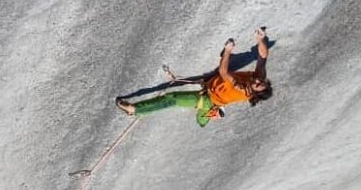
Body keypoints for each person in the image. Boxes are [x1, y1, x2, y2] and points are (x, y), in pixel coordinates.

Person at [116, 27, 272, 126]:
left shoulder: (241, 89)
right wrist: (261, 39)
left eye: (258, 84)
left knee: (173, 99)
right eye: (261, 81)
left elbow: (224, 72)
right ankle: (210, 113)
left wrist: (227, 51)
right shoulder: (258, 78)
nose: (258, 80)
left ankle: (135, 110)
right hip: (212, 87)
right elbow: (263, 57)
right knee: (204, 107)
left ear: (253, 93)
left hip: (208, 99)